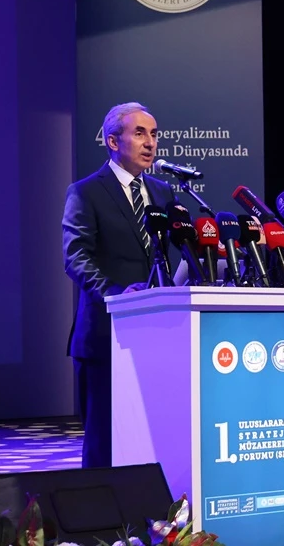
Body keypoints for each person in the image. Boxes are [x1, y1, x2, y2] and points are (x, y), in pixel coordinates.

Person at [62, 102, 175, 468]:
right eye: (139, 133)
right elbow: (76, 257)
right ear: (113, 141)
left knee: (154, 440)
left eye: (154, 134)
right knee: (105, 444)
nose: (150, 143)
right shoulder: (85, 192)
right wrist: (116, 296)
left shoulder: (163, 193)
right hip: (105, 335)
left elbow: (173, 255)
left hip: (158, 336)